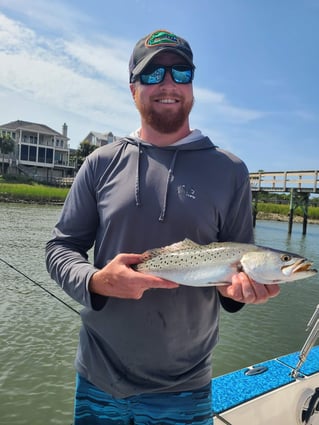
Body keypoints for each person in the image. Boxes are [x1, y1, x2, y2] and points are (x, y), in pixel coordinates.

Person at [46, 29, 280, 425]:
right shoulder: (100, 163)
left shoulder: (231, 171)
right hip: (98, 379)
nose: (168, 84)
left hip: (185, 390)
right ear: (132, 87)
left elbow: (233, 276)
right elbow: (60, 248)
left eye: (181, 72)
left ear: (193, 84)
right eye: (152, 74)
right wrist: (96, 281)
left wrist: (241, 292)